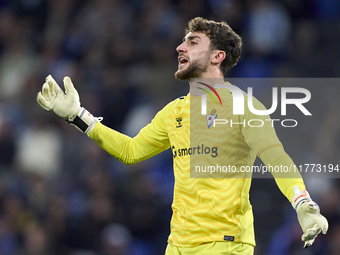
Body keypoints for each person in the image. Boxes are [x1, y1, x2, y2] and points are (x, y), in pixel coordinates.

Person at [37, 17, 328, 255]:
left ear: (217, 56)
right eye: (183, 40)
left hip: (224, 245)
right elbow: (131, 151)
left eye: (192, 42)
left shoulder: (245, 107)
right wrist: (78, 116)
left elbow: (276, 157)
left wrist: (303, 203)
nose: (180, 47)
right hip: (177, 245)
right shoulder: (173, 112)